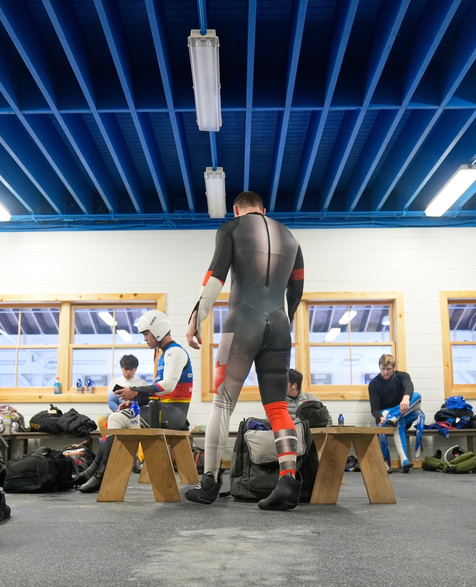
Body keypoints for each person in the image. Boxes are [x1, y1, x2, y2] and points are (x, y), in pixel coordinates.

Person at [184, 190, 305, 510]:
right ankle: (288, 479)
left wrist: (196, 317)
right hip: (279, 326)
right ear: (263, 210)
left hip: (241, 325)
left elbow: (215, 277)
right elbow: (297, 287)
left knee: (222, 403)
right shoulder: (290, 236)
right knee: (278, 405)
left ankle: (209, 482)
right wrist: (286, 320)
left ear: (236, 210)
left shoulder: (231, 229)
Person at [77, 310, 192, 493]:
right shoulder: (164, 354)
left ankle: (101, 474)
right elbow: (157, 392)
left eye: (146, 333)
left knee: (116, 419)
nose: (145, 338)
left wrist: (135, 391)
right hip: (164, 409)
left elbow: (168, 386)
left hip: (173, 413)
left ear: (158, 330)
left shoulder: (174, 352)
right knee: (116, 418)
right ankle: (95, 469)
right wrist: (134, 401)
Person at [367, 354, 419, 473]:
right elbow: (374, 409)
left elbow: (409, 386)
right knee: (396, 422)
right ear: (379, 368)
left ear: (394, 368)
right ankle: (398, 460)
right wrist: (380, 417)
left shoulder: (402, 376)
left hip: (402, 411)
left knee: (417, 397)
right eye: (382, 369)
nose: (385, 372)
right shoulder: (374, 383)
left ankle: (395, 417)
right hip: (384, 416)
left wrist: (406, 398)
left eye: (388, 369)